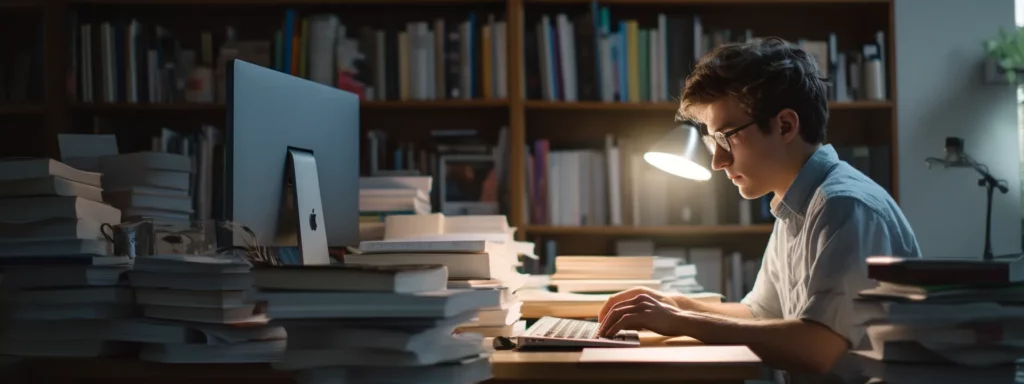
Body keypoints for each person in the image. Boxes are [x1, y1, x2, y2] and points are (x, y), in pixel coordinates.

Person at [596, 37, 921, 383]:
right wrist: (674, 304)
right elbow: (759, 314)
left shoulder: (844, 206)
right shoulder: (798, 202)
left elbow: (817, 347)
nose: (719, 161)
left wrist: (680, 321)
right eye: (712, 142)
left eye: (726, 138)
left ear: (785, 126)